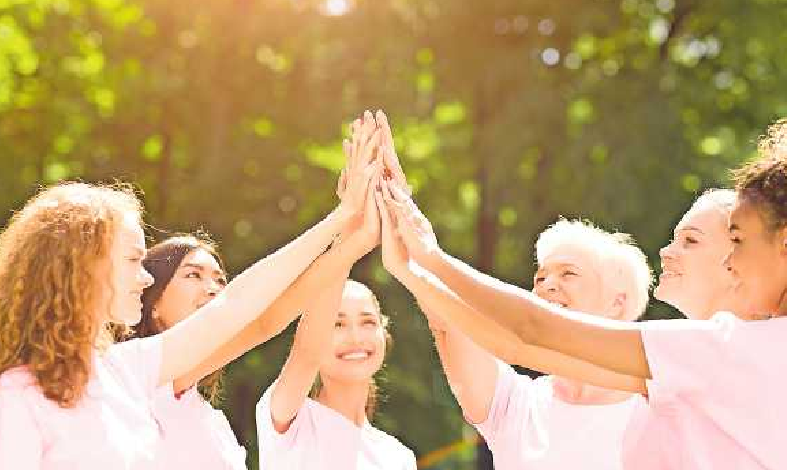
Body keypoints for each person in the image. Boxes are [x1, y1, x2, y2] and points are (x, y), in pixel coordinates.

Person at [376, 119, 787, 469]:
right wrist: (412, 270)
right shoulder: (704, 358)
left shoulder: (735, 350)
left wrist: (428, 259)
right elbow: (517, 341)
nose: (734, 258)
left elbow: (531, 331)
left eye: (738, 240)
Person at [0, 111, 381, 468]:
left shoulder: (125, 371)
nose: (146, 277)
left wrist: (343, 221)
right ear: (83, 268)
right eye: (133, 260)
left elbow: (242, 306)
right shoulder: (16, 401)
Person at [424, 219, 650, 469]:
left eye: (568, 273)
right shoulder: (515, 402)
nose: (547, 285)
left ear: (616, 304)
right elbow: (447, 319)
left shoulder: (658, 409)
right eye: (540, 278)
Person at [256, 175, 417, 470]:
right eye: (337, 324)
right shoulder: (289, 420)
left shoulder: (398, 457)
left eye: (368, 322)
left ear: (385, 334)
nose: (356, 337)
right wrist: (351, 229)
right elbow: (306, 354)